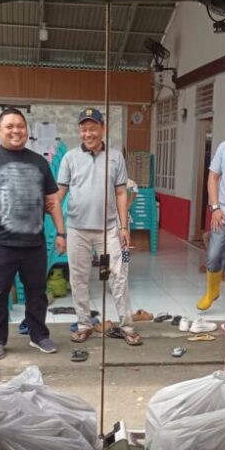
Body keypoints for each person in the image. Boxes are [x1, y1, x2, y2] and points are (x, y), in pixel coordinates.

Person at [0, 107, 65, 359]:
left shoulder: (39, 162)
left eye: (20, 126)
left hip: (34, 244)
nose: (16, 131)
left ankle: (39, 335)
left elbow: (52, 200)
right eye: (10, 126)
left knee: (37, 292)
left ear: (27, 130)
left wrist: (61, 232)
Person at [57, 108, 141, 346]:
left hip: (110, 230)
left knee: (118, 276)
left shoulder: (115, 157)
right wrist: (59, 230)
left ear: (103, 129)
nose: (88, 133)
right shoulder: (70, 158)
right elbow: (59, 195)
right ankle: (84, 324)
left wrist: (125, 227)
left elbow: (121, 192)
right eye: (83, 129)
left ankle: (126, 325)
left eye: (92, 128)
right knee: (78, 278)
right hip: (77, 230)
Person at [197, 135, 225, 311]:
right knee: (213, 256)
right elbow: (212, 177)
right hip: (224, 212)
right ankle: (212, 291)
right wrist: (215, 208)